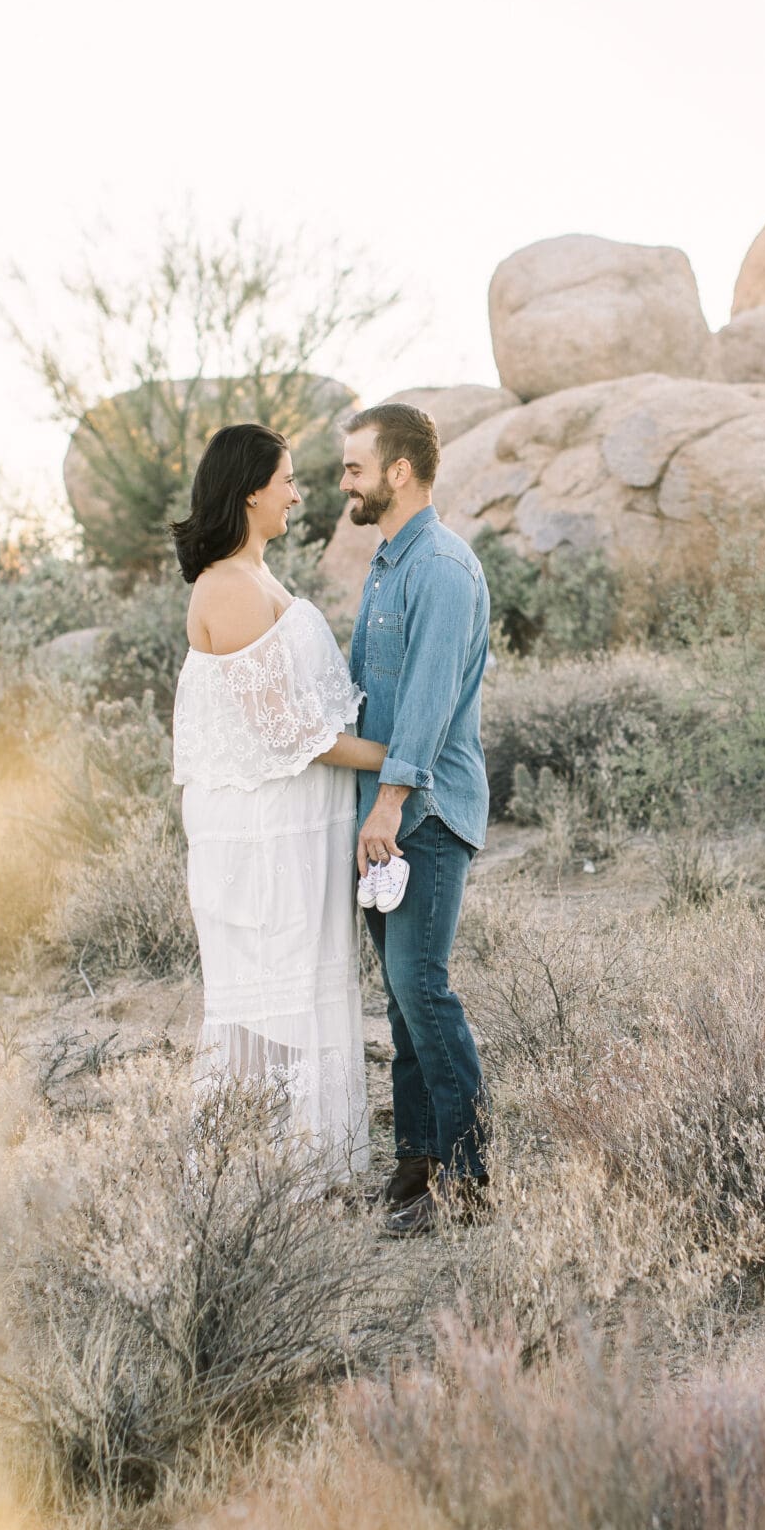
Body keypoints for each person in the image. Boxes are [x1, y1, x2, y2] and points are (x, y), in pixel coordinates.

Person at [169, 422, 385, 1186]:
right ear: (251, 488)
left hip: (299, 825)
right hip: (260, 832)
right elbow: (287, 731)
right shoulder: (226, 586)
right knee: (273, 987)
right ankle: (256, 1176)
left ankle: (311, 1162)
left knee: (306, 979)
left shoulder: (259, 578)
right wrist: (402, 760)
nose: (298, 492)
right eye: (288, 479)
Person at [339, 402, 493, 1236]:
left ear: (399, 471)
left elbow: (430, 700)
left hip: (423, 814)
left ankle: (468, 1178)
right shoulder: (388, 561)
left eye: (355, 467)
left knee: (420, 988)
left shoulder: (439, 565)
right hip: (383, 817)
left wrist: (391, 801)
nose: (345, 483)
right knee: (400, 1001)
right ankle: (417, 1165)